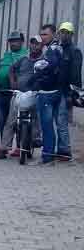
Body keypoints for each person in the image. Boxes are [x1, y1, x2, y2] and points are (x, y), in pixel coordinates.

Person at [0, 35, 44, 159]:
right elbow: (11, 69)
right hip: (19, 93)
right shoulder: (23, 59)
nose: (34, 46)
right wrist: (13, 82)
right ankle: (4, 147)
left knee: (36, 117)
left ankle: (35, 139)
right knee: (10, 120)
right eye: (32, 43)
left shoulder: (44, 60)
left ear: (41, 46)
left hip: (34, 94)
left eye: (37, 43)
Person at [32, 24, 65, 164]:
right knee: (54, 125)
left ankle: (47, 157)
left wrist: (38, 67)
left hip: (48, 92)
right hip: (55, 90)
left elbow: (50, 64)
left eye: (45, 34)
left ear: (53, 34)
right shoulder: (55, 47)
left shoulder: (52, 49)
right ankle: (52, 154)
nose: (42, 37)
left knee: (47, 126)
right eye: (42, 34)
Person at [0, 31, 27, 152]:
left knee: (17, 121)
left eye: (16, 40)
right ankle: (4, 145)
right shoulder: (6, 55)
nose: (13, 43)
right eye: (11, 41)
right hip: (2, 91)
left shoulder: (25, 55)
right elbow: (0, 71)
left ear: (22, 42)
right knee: (2, 120)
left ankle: (19, 147)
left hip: (16, 92)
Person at [56, 22, 82, 161]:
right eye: (62, 32)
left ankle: (65, 151)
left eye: (67, 32)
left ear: (71, 35)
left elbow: (76, 75)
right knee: (56, 121)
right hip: (54, 90)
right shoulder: (57, 49)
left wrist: (72, 94)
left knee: (62, 121)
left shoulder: (75, 51)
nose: (64, 35)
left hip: (66, 92)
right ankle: (59, 148)